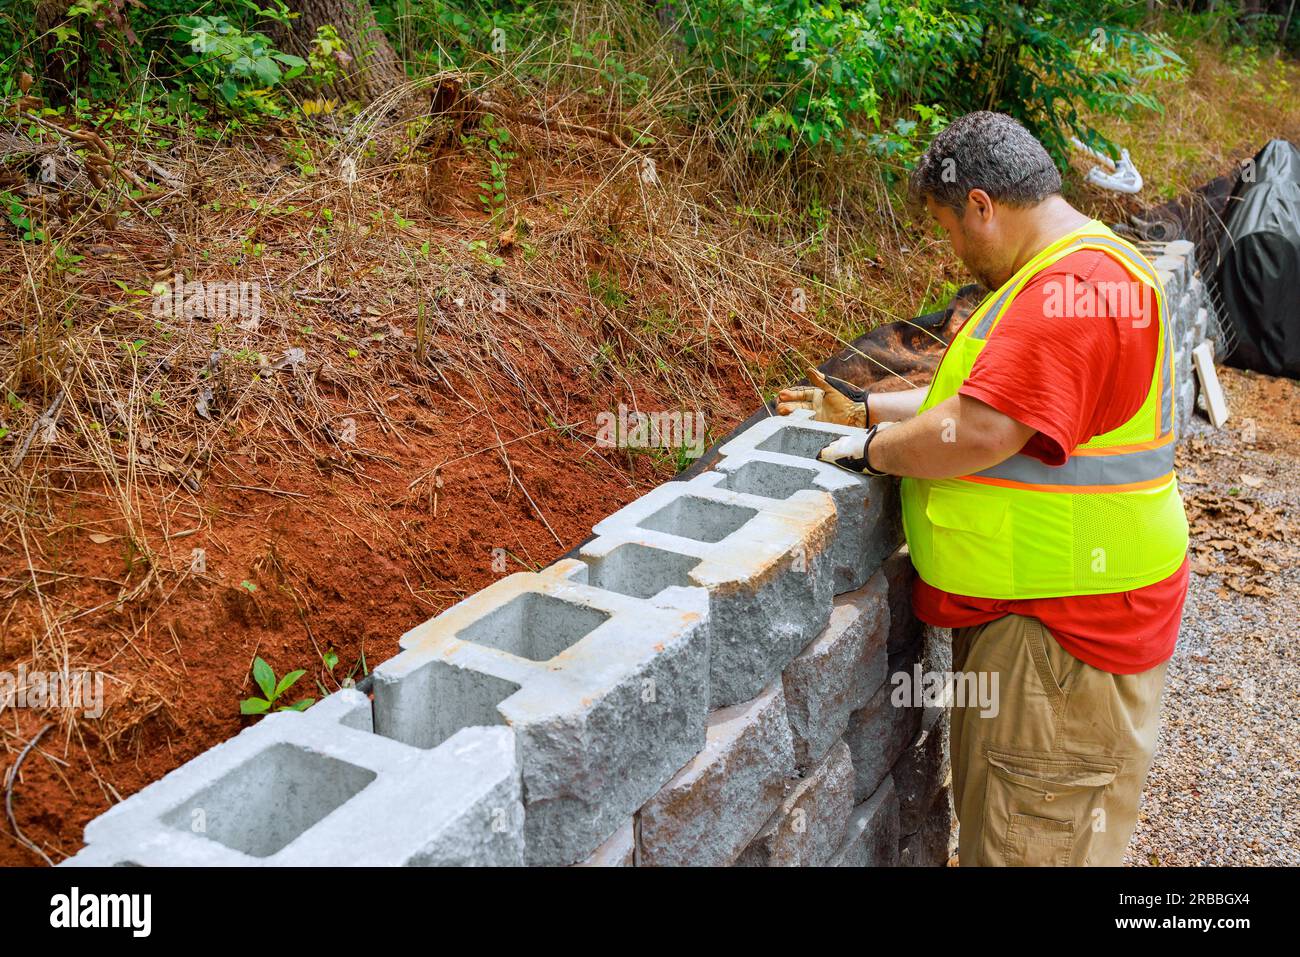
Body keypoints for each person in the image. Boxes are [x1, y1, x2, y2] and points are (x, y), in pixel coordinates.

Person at [777, 111, 1189, 866]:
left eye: (947, 226)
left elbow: (973, 433)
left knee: (1031, 844)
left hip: (1062, 638)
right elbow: (982, 401)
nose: (953, 249)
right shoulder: (1077, 271)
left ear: (980, 206)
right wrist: (864, 404)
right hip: (1049, 622)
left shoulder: (1075, 287)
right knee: (1011, 828)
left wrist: (870, 448)